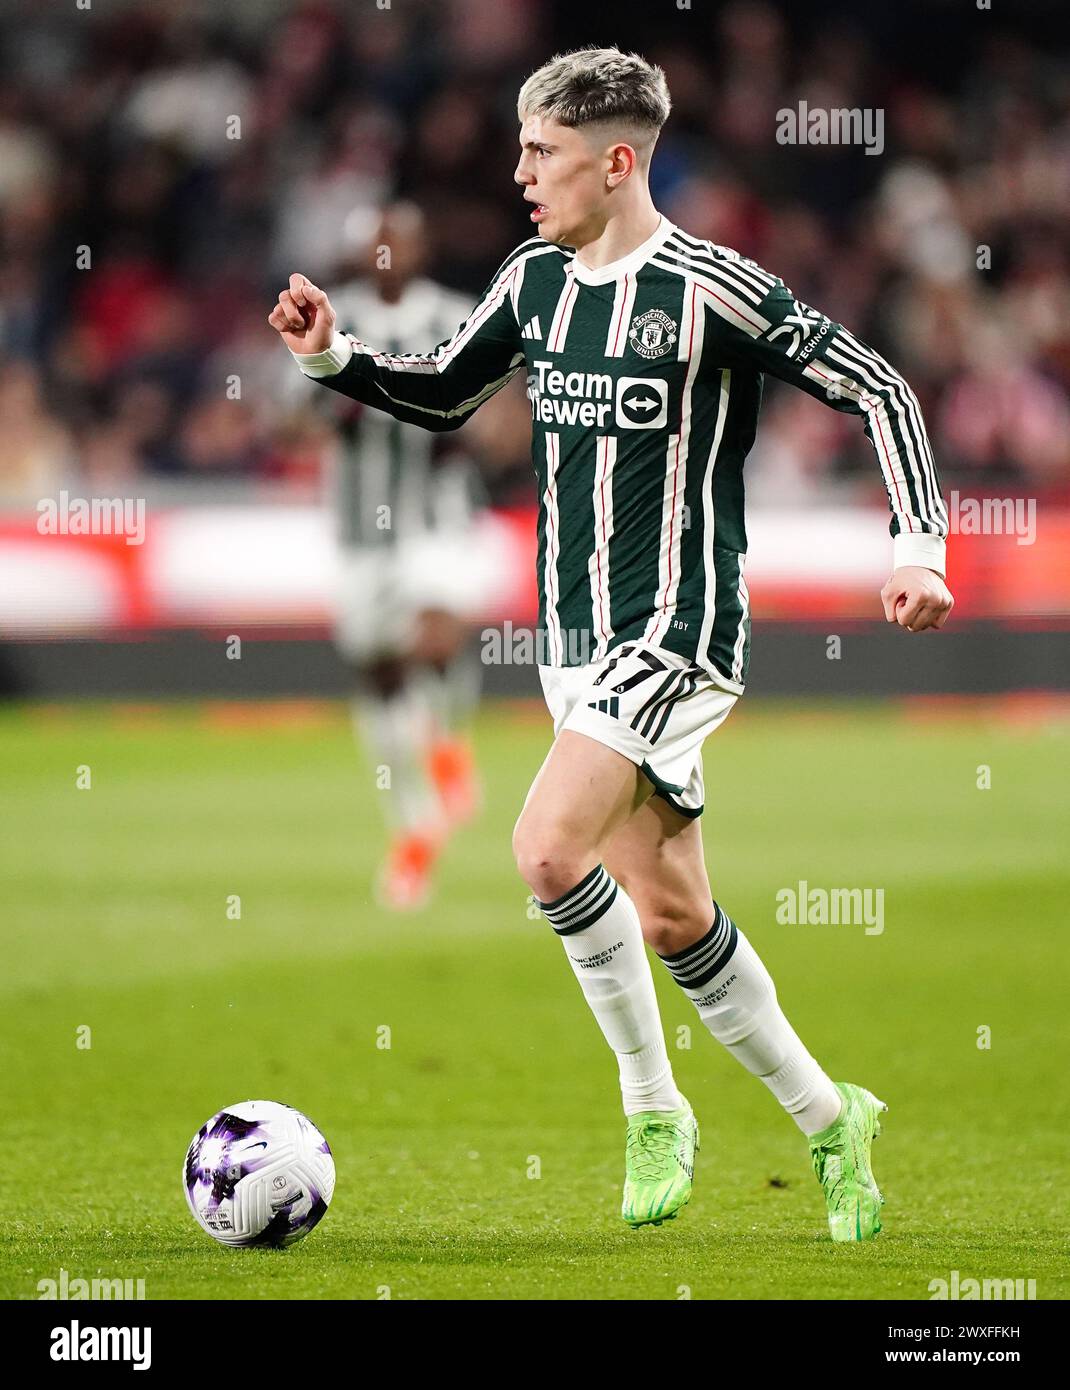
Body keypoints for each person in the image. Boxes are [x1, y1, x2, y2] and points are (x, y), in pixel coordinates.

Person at [269, 47, 953, 1241]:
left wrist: (918, 546)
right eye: (522, 147)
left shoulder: (711, 289)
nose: (520, 172)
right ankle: (831, 1115)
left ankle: (652, 1106)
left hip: (678, 631)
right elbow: (442, 395)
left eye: (541, 152)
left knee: (541, 851)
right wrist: (331, 356)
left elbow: (879, 386)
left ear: (616, 159)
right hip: (570, 644)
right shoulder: (533, 281)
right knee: (674, 914)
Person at [322, 201, 486, 910]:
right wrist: (329, 404)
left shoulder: (457, 312)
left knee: (434, 633)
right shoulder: (331, 317)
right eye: (380, 243)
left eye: (404, 241)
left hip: (437, 513)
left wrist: (477, 425)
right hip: (359, 529)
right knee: (378, 674)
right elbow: (288, 417)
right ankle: (413, 826)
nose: (392, 253)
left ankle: (448, 746)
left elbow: (503, 407)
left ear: (423, 248)